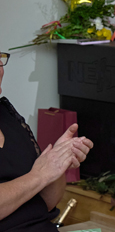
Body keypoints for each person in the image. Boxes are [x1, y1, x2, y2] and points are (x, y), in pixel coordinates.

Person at [0, 51, 93, 231]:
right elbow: (37, 178)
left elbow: (46, 204)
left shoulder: (7, 116)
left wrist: (58, 163)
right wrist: (39, 176)